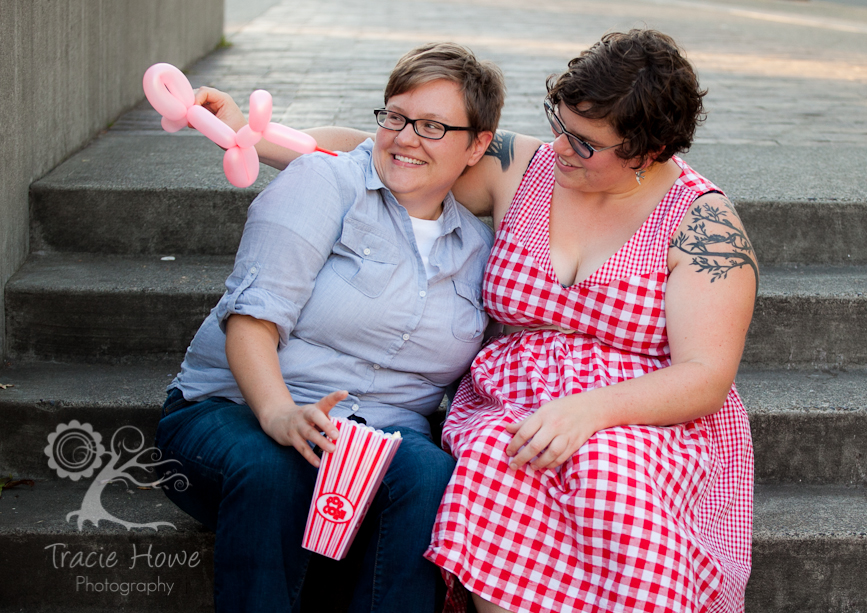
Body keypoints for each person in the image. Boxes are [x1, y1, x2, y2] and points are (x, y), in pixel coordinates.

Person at [200, 29, 757, 612]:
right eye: (560, 125)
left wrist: (590, 411)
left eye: (586, 143)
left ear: (649, 151)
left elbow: (705, 374)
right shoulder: (522, 167)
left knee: (606, 471)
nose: (562, 148)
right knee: (500, 459)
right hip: (513, 398)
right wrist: (250, 135)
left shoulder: (704, 227)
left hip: (639, 412)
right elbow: (389, 150)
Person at [154, 42, 504, 613]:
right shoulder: (324, 182)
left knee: (429, 478)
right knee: (278, 466)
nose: (407, 137)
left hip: (375, 439)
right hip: (236, 412)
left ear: (478, 145)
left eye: (434, 126)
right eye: (396, 116)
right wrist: (279, 413)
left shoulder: (478, 249)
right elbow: (252, 318)